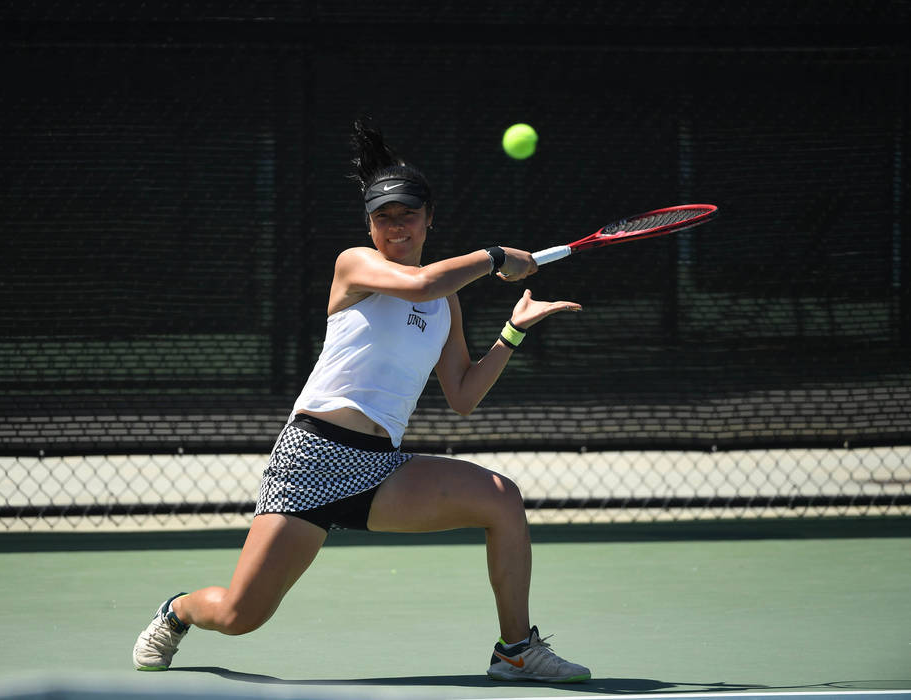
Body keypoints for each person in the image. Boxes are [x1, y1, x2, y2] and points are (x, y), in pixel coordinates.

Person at [132, 119, 590, 683]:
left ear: (428, 220)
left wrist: (511, 334)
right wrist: (495, 256)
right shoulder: (356, 266)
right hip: (312, 460)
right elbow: (420, 284)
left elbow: (463, 395)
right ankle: (178, 610)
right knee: (237, 615)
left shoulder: (446, 305)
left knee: (502, 498)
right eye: (383, 218)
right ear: (370, 227)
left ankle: (516, 650)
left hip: (381, 468)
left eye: (407, 215)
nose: (396, 227)